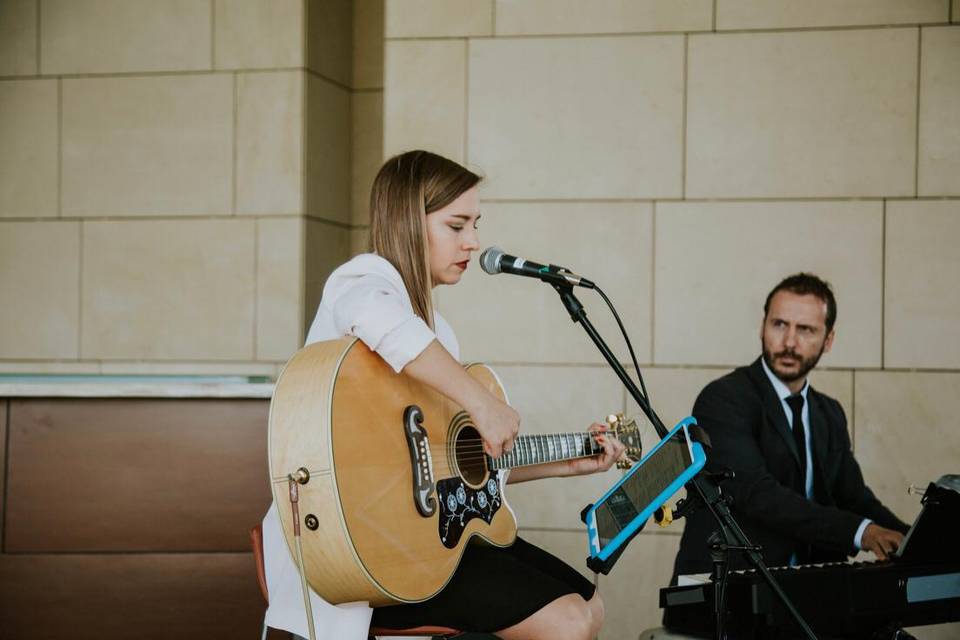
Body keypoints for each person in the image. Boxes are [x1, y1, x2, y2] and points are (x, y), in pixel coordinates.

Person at [262, 150, 624, 640]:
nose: (473, 243)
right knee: (566, 622)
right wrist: (481, 402)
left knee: (587, 604)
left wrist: (565, 463)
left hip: (427, 541)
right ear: (409, 222)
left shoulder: (437, 336)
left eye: (475, 224)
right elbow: (384, 324)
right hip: (361, 556)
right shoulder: (361, 281)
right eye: (457, 226)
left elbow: (450, 469)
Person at [671, 273, 908, 581]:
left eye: (806, 329)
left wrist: (915, 538)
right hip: (727, 594)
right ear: (763, 326)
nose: (789, 342)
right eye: (779, 324)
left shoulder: (829, 412)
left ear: (828, 340)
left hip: (804, 589)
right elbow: (759, 494)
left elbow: (854, 497)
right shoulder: (723, 399)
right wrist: (861, 533)